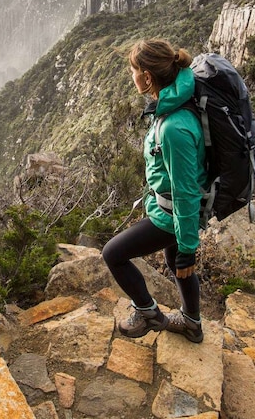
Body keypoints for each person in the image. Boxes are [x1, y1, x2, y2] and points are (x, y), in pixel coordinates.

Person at [102, 39, 207, 343]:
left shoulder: (175, 127)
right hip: (170, 210)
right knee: (175, 263)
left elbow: (186, 192)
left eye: (132, 71)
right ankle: (191, 322)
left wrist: (189, 247)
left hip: (174, 214)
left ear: (147, 76)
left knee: (114, 253)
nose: (130, 77)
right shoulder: (172, 101)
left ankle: (147, 313)